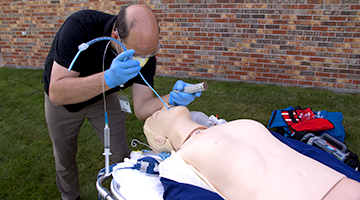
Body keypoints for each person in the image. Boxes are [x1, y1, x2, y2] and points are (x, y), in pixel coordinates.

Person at [42, 5, 201, 200]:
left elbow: (142, 108)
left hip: (104, 98)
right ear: (116, 37)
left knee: (120, 155)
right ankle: (69, 196)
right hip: (66, 102)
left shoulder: (145, 51)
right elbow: (57, 93)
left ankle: (119, 191)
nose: (142, 60)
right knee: (64, 157)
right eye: (136, 54)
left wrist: (171, 98)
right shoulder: (81, 26)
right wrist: (108, 79)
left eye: (148, 54)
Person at [143, 105, 360, 200]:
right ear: (161, 140)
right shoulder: (175, 165)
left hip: (346, 185)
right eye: (151, 118)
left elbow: (303, 151)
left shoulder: (233, 125)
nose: (157, 110)